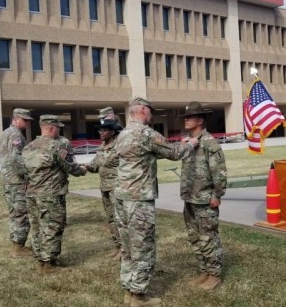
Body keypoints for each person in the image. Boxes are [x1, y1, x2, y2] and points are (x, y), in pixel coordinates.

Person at [115, 97, 199, 307]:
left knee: (127, 247)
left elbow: (145, 154)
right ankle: (138, 296)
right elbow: (173, 153)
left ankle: (128, 289)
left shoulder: (123, 134)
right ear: (143, 110)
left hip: (122, 198)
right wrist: (189, 144)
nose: (152, 115)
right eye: (150, 111)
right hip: (139, 200)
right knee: (143, 247)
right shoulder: (146, 133)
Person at [22, 115, 88, 274]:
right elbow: (71, 168)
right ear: (51, 128)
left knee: (37, 227)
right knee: (53, 226)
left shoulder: (28, 147)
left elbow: (22, 172)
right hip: (51, 195)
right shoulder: (56, 147)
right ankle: (49, 264)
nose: (60, 129)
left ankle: (40, 259)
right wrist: (83, 170)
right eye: (58, 127)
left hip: (31, 194)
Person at [179, 102, 227, 290]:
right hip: (190, 198)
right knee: (194, 237)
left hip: (206, 199)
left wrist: (217, 195)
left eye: (189, 117)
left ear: (200, 120)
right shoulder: (188, 143)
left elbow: (220, 172)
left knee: (208, 237)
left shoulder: (209, 143)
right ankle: (203, 271)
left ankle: (214, 274)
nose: (186, 120)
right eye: (185, 117)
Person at [0, 108, 34, 259]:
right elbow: (15, 158)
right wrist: (25, 177)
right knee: (21, 213)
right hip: (16, 180)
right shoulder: (15, 134)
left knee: (14, 213)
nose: (27, 123)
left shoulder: (6, 132)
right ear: (16, 118)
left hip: (9, 180)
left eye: (28, 120)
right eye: (24, 120)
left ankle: (16, 245)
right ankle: (18, 248)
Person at [84, 119, 124, 260]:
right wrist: (84, 167)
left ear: (112, 132)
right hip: (105, 188)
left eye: (104, 130)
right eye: (99, 130)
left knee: (120, 219)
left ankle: (125, 249)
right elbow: (95, 165)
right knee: (111, 218)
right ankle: (118, 246)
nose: (100, 133)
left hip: (117, 188)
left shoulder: (120, 145)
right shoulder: (102, 146)